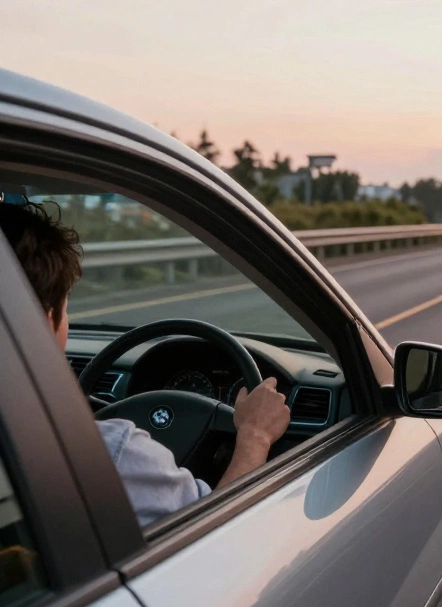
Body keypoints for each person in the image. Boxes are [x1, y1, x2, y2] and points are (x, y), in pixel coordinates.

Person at [1, 200, 292, 527]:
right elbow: (212, 533)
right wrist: (255, 435)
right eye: (68, 309)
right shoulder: (113, 454)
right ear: (45, 320)